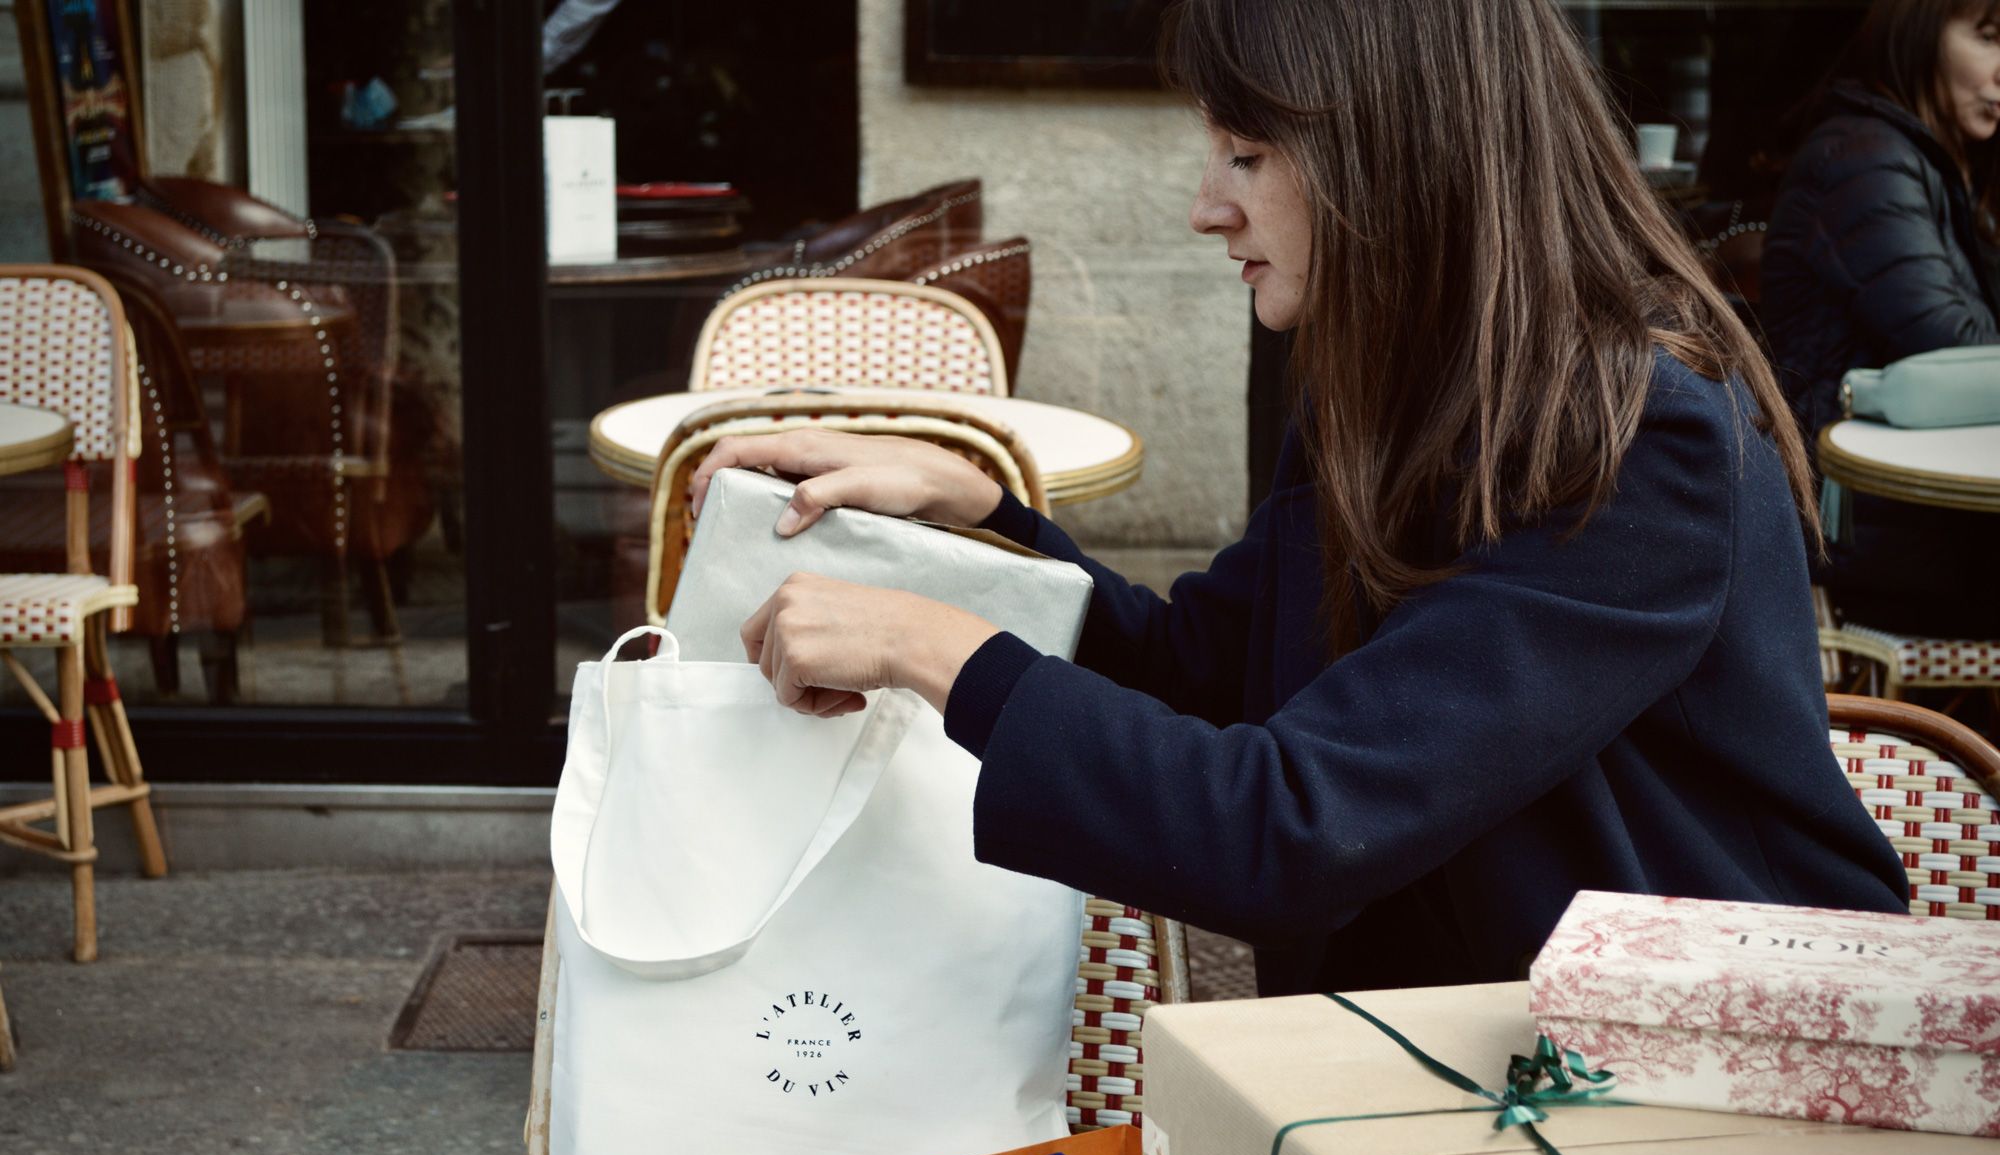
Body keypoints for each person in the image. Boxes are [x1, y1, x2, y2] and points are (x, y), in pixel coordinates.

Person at [689, 0, 1909, 996]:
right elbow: (1205, 663)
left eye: (1247, 156)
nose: (1205, 206)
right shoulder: (1387, 390)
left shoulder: (1642, 438)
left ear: (1401, 154)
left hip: (1699, 1094)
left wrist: (931, 647)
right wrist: (981, 522)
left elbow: (1290, 825)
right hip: (1470, 1053)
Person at [1762, 0, 2000, 637]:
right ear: (1917, 31)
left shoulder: (1926, 161)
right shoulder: (1865, 160)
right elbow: (1961, 346)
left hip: (1910, 514)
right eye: (1989, 37)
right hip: (1869, 526)